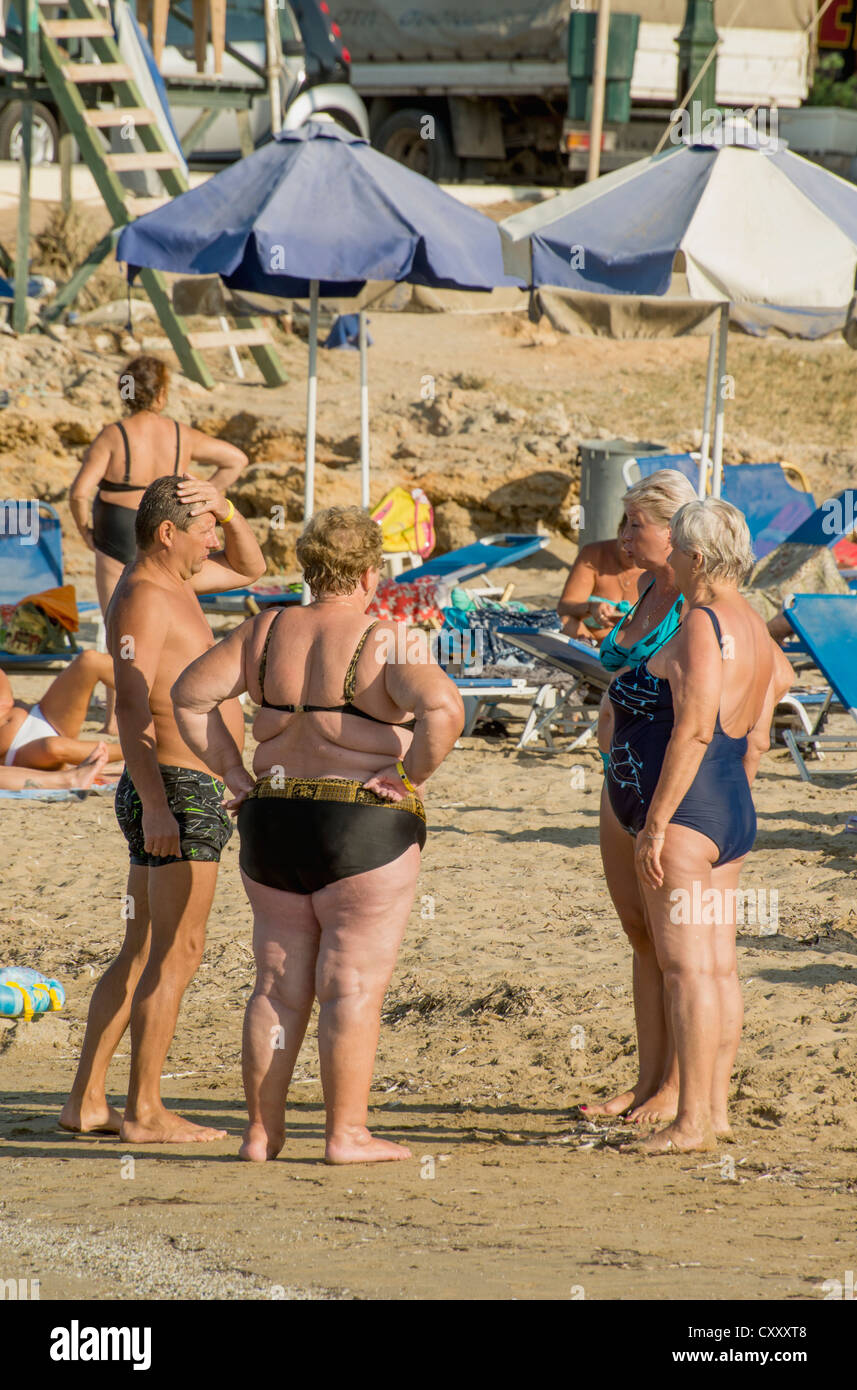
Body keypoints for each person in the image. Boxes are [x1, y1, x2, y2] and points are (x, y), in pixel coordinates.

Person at [171, 506, 465, 1165]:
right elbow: (445, 709)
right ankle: (345, 1135)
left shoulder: (264, 630)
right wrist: (407, 775)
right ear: (370, 573)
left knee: (275, 984)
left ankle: (260, 1133)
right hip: (359, 823)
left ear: (307, 568)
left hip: (273, 819)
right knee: (351, 984)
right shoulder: (385, 639)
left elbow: (188, 694)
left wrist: (230, 770)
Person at [60, 473, 266, 1143]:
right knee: (179, 949)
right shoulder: (146, 597)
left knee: (144, 944)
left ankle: (87, 1101)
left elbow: (253, 567)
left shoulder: (177, 581)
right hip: (175, 789)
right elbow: (126, 702)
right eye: (203, 527)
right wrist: (154, 803)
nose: (213, 539)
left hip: (179, 789)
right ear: (167, 532)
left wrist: (225, 506)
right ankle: (144, 1112)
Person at [607, 499, 793, 1153]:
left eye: (679, 555)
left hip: (689, 811)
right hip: (731, 804)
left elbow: (689, 728)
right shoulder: (751, 622)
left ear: (696, 557)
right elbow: (782, 677)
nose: (674, 565)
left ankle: (689, 1123)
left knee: (686, 972)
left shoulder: (702, 624)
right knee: (717, 970)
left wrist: (654, 824)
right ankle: (711, 1113)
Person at [581, 469, 698, 1124]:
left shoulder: (695, 603)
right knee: (640, 937)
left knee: (678, 943)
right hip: (615, 772)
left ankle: (677, 1087)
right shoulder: (646, 587)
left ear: (674, 529)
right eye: (623, 521)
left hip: (664, 784)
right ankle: (644, 1080)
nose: (623, 535)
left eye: (635, 524)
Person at [68, 354, 249, 730]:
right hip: (165, 527)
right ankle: (164, 698)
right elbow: (236, 459)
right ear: (163, 393)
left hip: (117, 526)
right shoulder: (179, 433)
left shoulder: (114, 434)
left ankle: (115, 721)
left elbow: (80, 492)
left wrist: (85, 530)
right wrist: (203, 496)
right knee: (169, 614)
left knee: (117, 621)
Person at [0, 652, 121, 769]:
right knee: (52, 747)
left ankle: (139, 698)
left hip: (38, 714)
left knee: (89, 661)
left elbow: (6, 701)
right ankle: (135, 750)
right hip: (17, 752)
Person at [557, 518, 644, 644]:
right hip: (587, 636)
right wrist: (590, 607)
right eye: (625, 542)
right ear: (619, 532)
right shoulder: (594, 554)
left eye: (638, 544)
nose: (629, 550)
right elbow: (564, 608)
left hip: (626, 645)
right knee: (565, 622)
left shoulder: (655, 568)